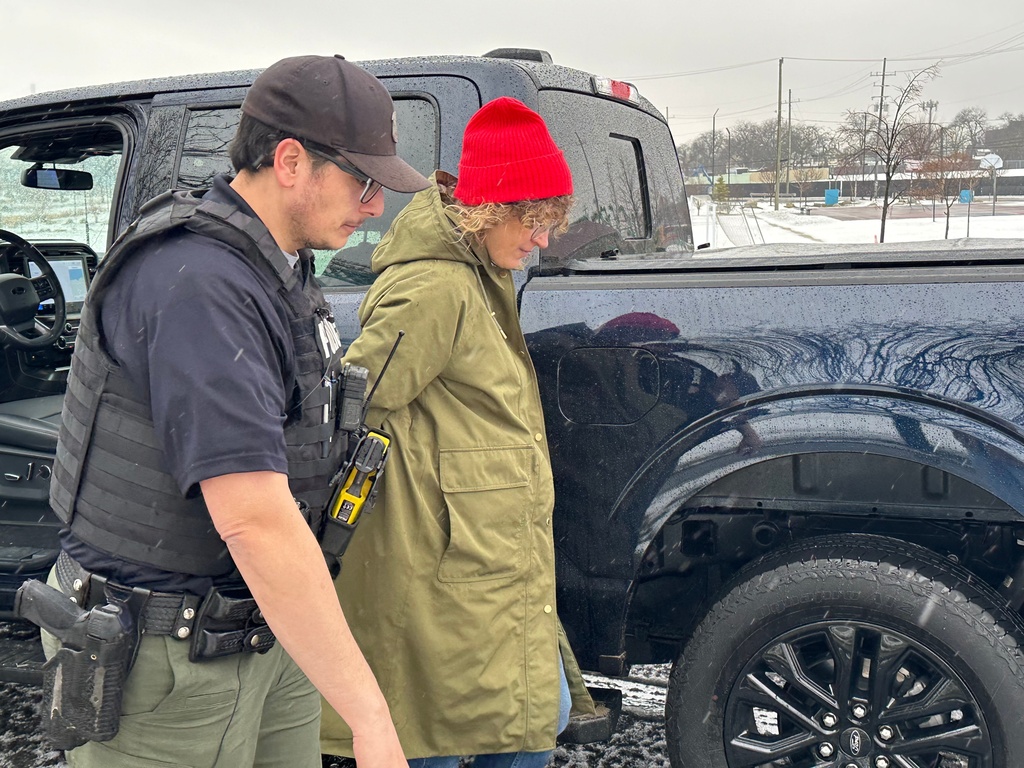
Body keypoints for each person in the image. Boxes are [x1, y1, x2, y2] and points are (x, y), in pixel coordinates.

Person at [39, 54, 429, 767]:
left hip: (262, 632)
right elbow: (252, 518)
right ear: (289, 161)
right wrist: (370, 718)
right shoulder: (198, 282)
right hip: (164, 661)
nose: (377, 205)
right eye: (364, 181)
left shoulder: (274, 264)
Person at [320, 97, 596, 766]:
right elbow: (357, 405)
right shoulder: (436, 289)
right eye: (533, 221)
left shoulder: (478, 276)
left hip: (482, 560)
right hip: (444, 565)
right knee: (452, 734)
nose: (542, 240)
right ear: (490, 209)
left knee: (525, 719)